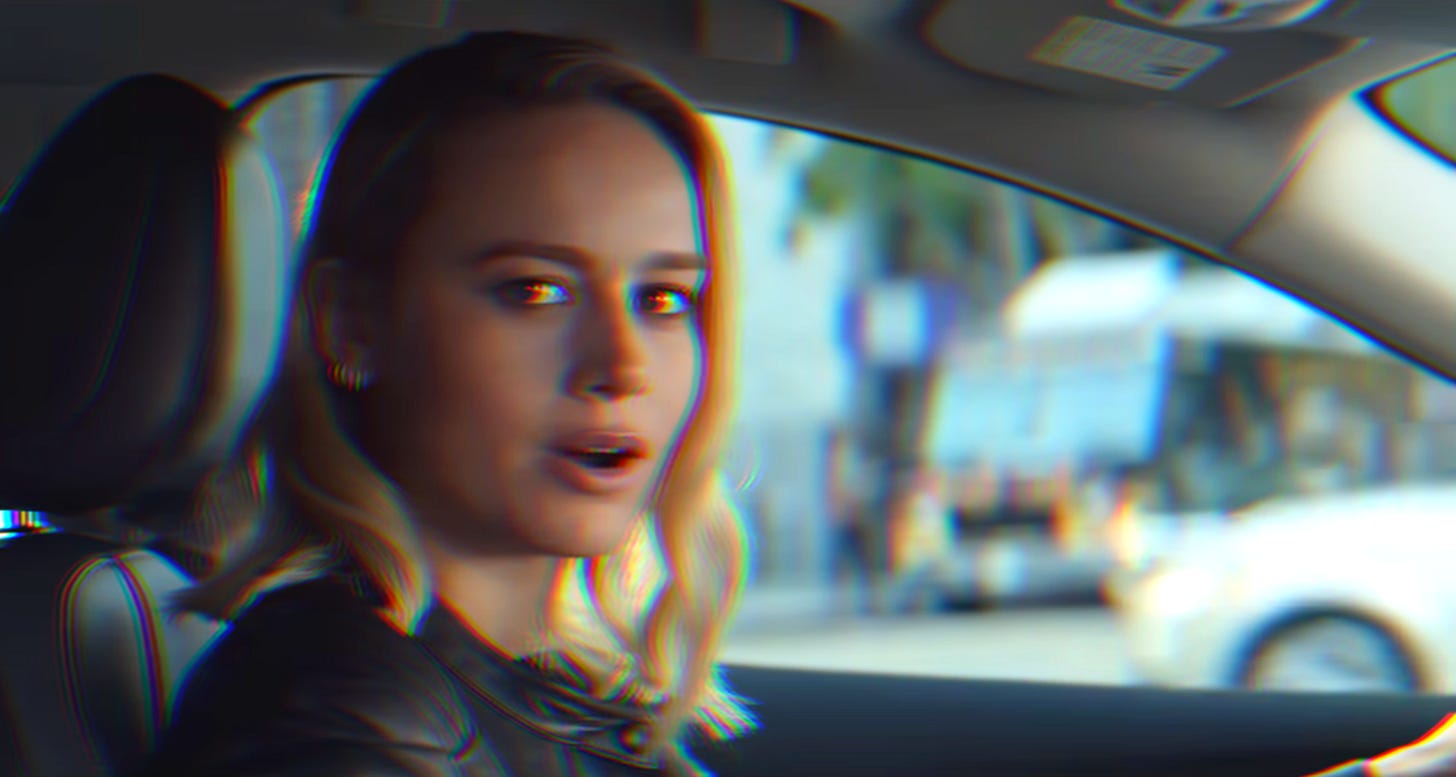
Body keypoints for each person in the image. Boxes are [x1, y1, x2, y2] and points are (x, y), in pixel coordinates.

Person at [143, 31, 754, 777]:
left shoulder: (546, 682)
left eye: (663, 298)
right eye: (534, 290)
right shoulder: (327, 721)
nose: (622, 367)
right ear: (352, 320)